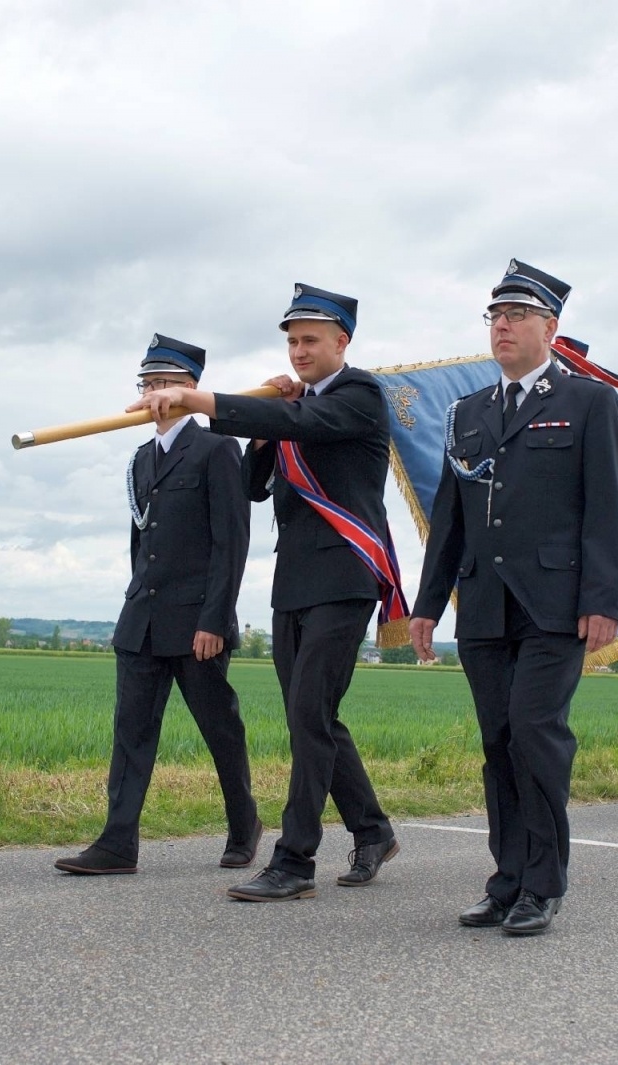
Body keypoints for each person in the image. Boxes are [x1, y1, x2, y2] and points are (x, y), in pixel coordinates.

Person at [131, 284, 403, 902]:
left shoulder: (358, 395)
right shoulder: (292, 408)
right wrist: (260, 431)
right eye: (292, 341)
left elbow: (303, 422)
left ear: (342, 342)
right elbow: (256, 484)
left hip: (344, 579)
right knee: (313, 715)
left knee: (309, 713)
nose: (299, 350)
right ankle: (372, 828)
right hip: (294, 584)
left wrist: (202, 399)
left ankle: (295, 859)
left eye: (310, 339)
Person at [410, 259, 618, 937]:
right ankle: (505, 879)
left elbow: (606, 506)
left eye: (518, 316)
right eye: (495, 316)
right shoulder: (467, 412)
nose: (502, 326)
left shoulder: (589, 402)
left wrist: (602, 599)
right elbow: (449, 515)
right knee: (498, 741)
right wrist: (427, 602)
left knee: (536, 731)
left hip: (554, 603)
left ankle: (544, 881)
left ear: (551, 327)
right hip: (483, 605)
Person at [54, 336, 259, 876]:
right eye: (144, 384)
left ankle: (245, 825)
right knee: (132, 734)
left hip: (196, 625)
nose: (151, 394)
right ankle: (117, 844)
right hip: (141, 621)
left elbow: (231, 542)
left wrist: (215, 619)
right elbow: (140, 543)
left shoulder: (218, 450)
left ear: (190, 390)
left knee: (220, 729)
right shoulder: (142, 458)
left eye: (161, 383)